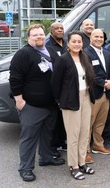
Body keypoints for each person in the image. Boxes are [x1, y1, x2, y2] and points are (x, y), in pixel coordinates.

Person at [10, 24, 65, 182]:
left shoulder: (50, 51)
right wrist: (19, 100)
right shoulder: (23, 54)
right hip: (32, 106)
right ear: (29, 38)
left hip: (51, 105)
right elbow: (15, 79)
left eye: (41, 34)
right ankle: (25, 168)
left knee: (47, 135)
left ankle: (46, 158)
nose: (39, 37)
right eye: (35, 35)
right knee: (29, 138)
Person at [51, 31, 96, 180]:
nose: (77, 44)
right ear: (68, 44)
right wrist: (60, 100)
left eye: (79, 41)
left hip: (86, 97)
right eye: (74, 41)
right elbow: (55, 83)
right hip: (70, 100)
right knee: (73, 135)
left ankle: (82, 162)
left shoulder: (85, 57)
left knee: (84, 133)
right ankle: (74, 166)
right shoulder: (63, 60)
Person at [84, 29, 110, 160]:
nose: (99, 39)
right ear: (90, 38)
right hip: (93, 94)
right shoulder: (86, 53)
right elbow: (89, 73)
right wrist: (104, 83)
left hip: (106, 95)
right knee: (87, 124)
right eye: (96, 36)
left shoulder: (107, 53)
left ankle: (98, 145)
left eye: (101, 37)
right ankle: (84, 151)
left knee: (100, 123)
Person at [45, 22, 67, 156]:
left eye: (61, 28)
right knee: (53, 120)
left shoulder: (66, 44)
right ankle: (52, 147)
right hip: (55, 88)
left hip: (67, 88)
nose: (60, 30)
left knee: (63, 118)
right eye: (56, 29)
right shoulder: (48, 47)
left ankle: (62, 142)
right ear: (51, 31)